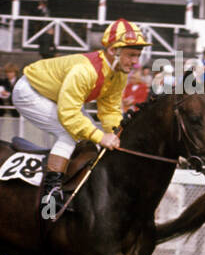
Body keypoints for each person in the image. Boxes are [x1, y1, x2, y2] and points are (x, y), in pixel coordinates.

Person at [10, 18, 146, 217]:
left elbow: (109, 110)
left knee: (90, 136)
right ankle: (51, 194)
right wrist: (102, 137)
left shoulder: (119, 74)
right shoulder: (85, 70)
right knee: (71, 133)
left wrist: (118, 135)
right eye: (131, 55)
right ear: (113, 51)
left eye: (138, 55)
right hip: (30, 91)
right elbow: (69, 115)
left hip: (56, 96)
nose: (136, 62)